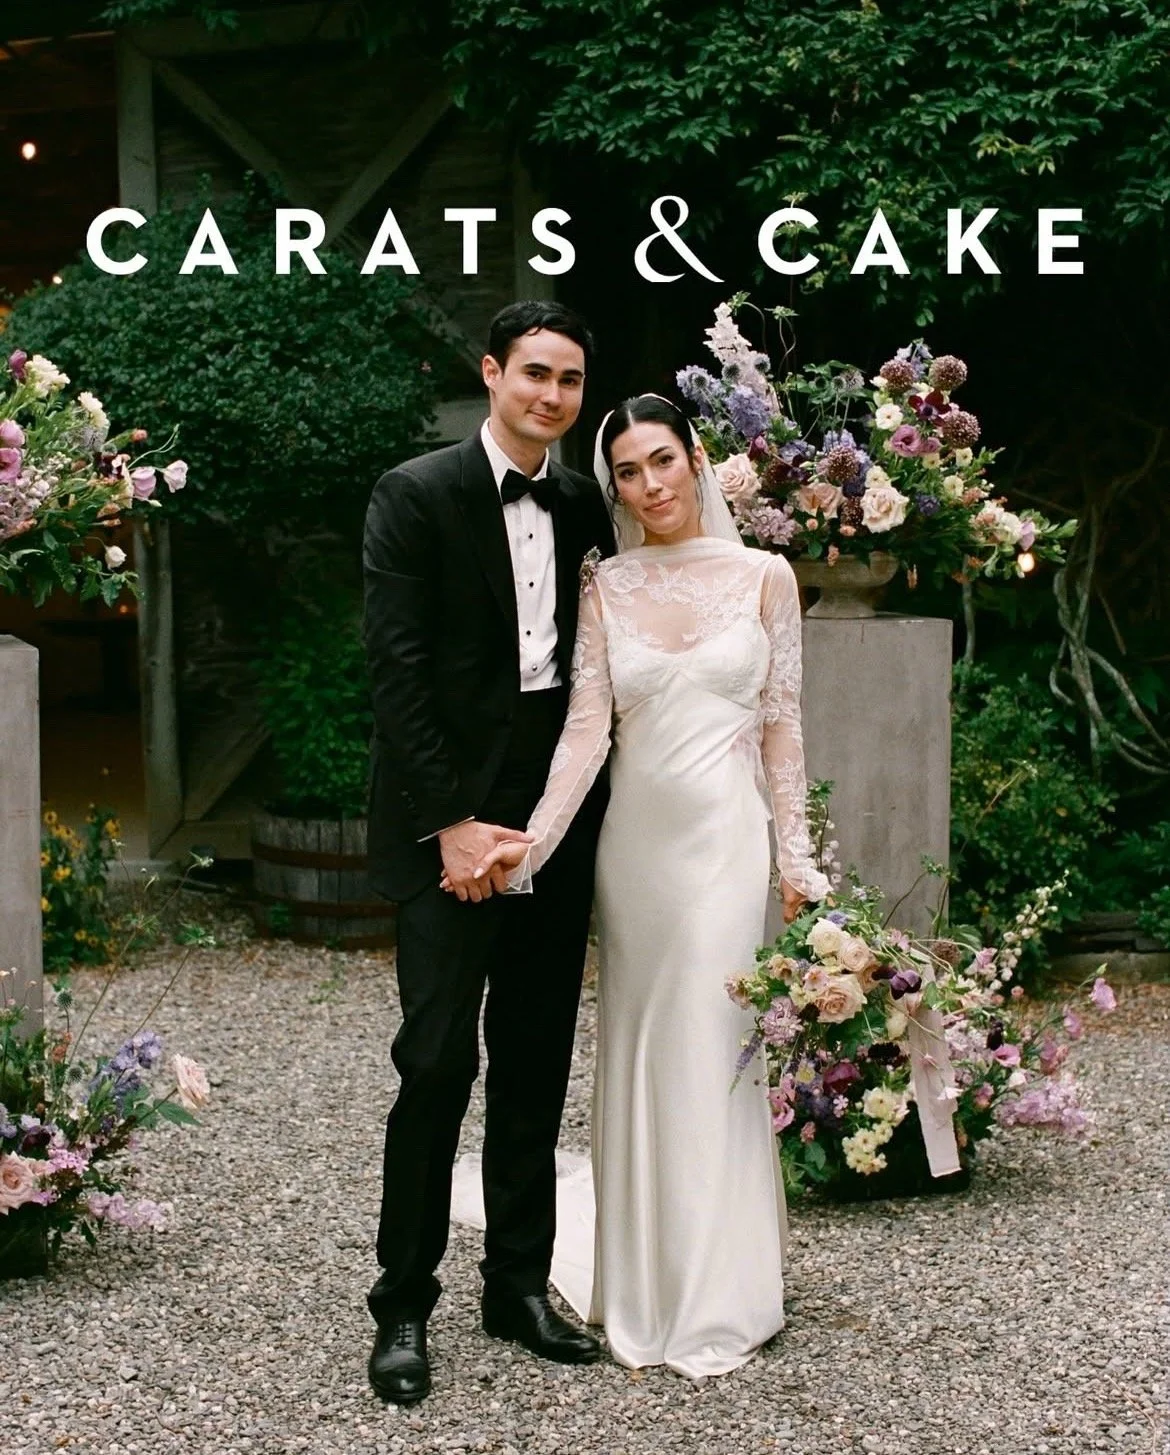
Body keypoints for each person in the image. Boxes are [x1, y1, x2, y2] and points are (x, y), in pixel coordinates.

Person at [463, 393, 831, 1379]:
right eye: (627, 471)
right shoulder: (607, 584)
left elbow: (782, 730)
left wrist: (797, 858)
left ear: (695, 458)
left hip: (726, 843)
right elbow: (587, 733)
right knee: (638, 1051)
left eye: (662, 461)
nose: (649, 486)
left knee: (713, 1049)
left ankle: (721, 1290)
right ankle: (642, 1283)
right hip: (636, 852)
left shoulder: (766, 577)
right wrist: (531, 845)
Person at [361, 300, 615, 1405]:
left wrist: (549, 821)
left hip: (553, 818)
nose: (551, 396)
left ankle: (515, 1285)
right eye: (534, 374)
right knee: (435, 1063)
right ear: (492, 374)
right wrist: (451, 824)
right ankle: (402, 1304)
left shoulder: (583, 504)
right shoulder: (414, 495)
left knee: (534, 1061)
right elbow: (397, 674)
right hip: (444, 825)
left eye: (568, 381)